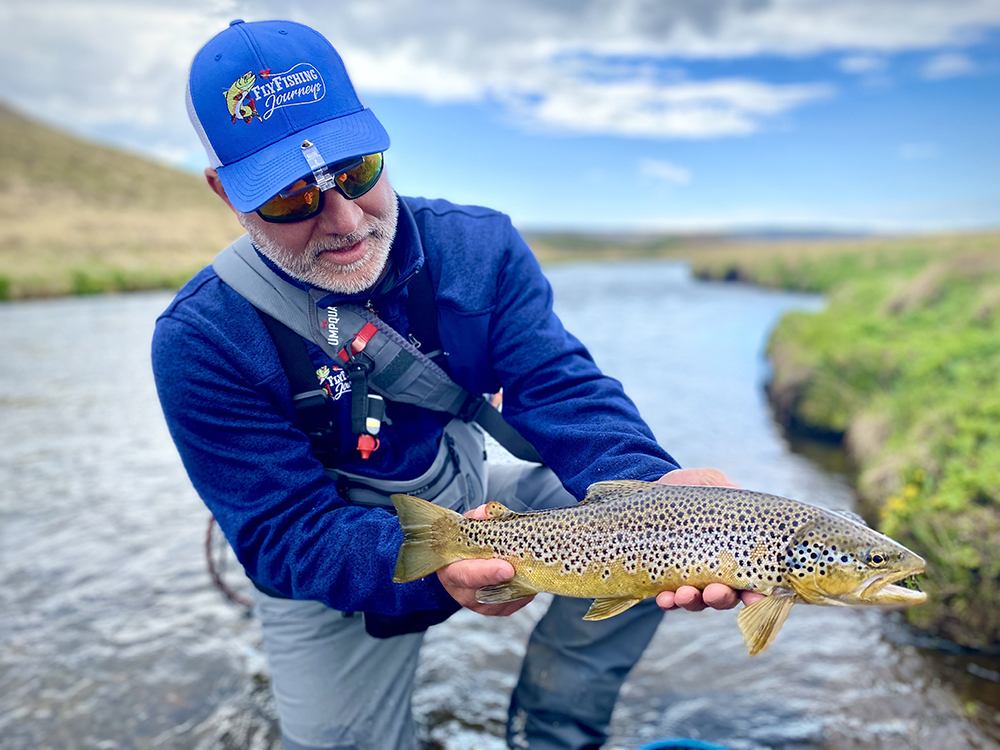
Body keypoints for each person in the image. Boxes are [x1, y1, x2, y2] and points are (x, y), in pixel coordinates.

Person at [153, 19, 761, 750]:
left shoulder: (479, 247)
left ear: (378, 141)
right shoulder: (201, 338)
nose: (343, 220)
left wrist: (655, 491)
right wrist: (435, 565)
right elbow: (287, 532)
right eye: (290, 199)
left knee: (659, 539)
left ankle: (553, 730)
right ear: (226, 192)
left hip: (471, 491)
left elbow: (560, 390)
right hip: (332, 541)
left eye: (355, 172)